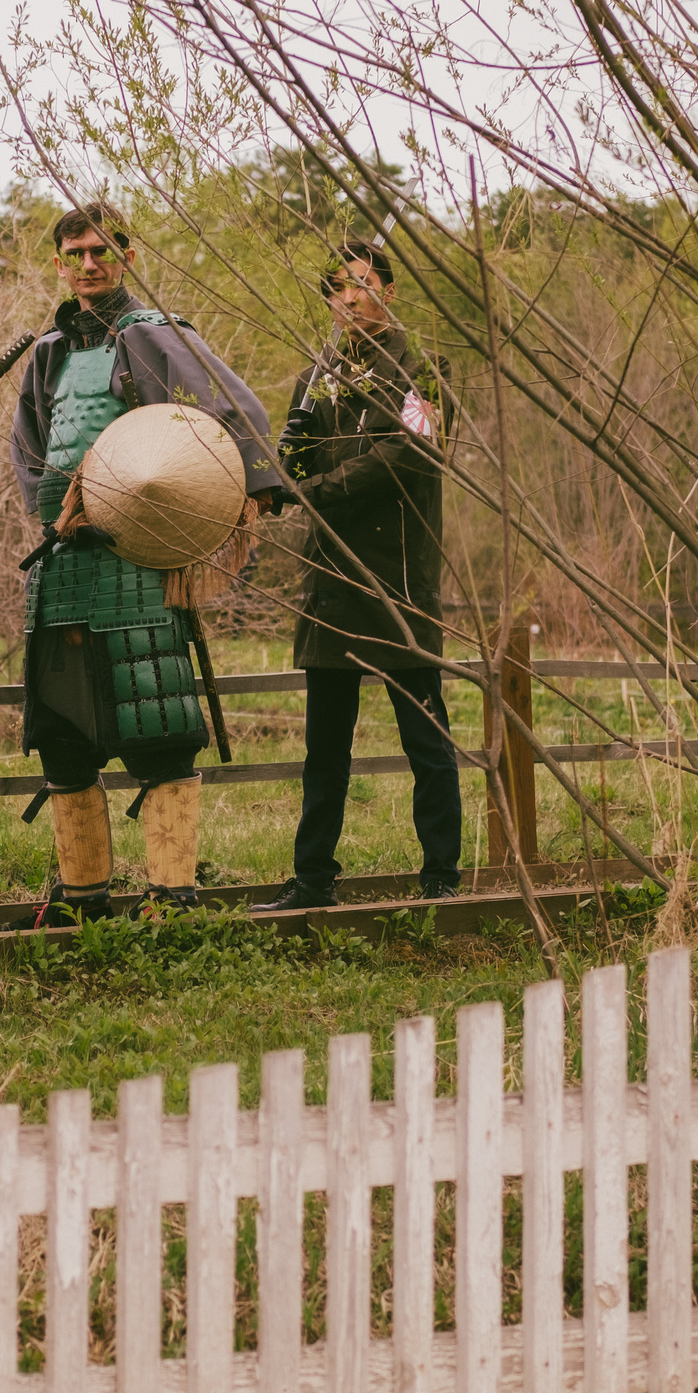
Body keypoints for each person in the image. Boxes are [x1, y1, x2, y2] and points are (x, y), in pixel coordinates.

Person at [10, 202, 284, 923]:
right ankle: (84, 904)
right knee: (64, 742)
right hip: (61, 568)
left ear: (127, 256)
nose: (89, 264)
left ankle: (170, 897)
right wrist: (52, 513)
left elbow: (234, 410)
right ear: (61, 263)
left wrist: (241, 495)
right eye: (75, 253)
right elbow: (30, 450)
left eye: (102, 250)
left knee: (159, 731)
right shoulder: (47, 351)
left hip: (139, 560)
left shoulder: (156, 334)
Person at [253, 242, 462, 912]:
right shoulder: (318, 372)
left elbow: (410, 454)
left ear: (390, 292)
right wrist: (279, 468)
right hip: (332, 577)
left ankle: (441, 876)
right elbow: (295, 451)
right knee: (326, 747)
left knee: (425, 737)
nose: (347, 299)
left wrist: (316, 490)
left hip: (398, 579)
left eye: (361, 285)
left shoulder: (423, 369)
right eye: (337, 288)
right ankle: (313, 878)